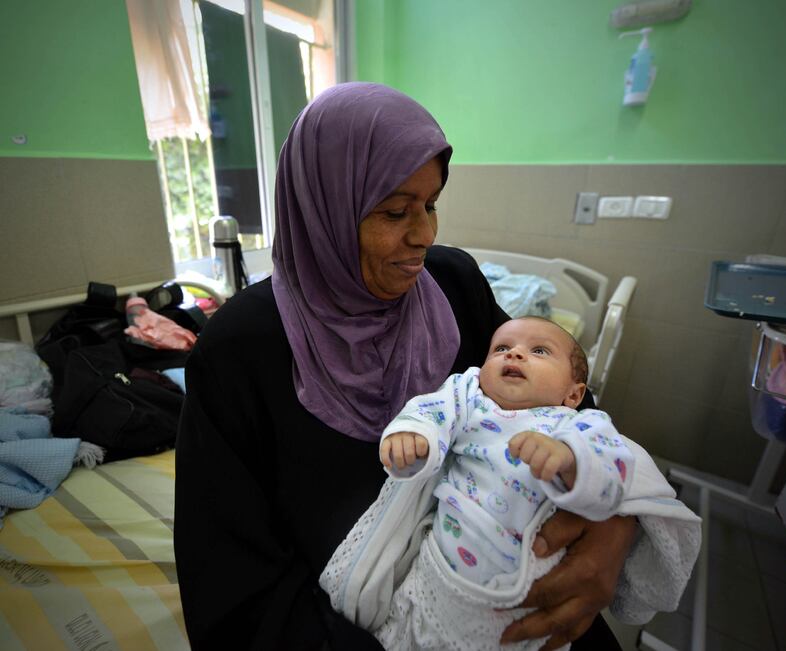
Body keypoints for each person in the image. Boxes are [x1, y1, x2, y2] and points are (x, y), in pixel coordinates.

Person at [174, 82, 683, 651]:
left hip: (519, 602)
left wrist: (615, 522)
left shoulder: (454, 285)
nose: (424, 235)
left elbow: (570, 406)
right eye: (395, 211)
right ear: (323, 211)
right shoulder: (240, 350)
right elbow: (237, 597)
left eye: (431, 204)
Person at [319, 317, 699, 650]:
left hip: (522, 598)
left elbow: (613, 473)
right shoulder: (470, 396)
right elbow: (430, 410)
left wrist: (569, 460)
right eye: (501, 348)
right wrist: (414, 433)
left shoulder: (579, 427)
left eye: (538, 350)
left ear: (574, 394)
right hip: (437, 579)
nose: (514, 354)